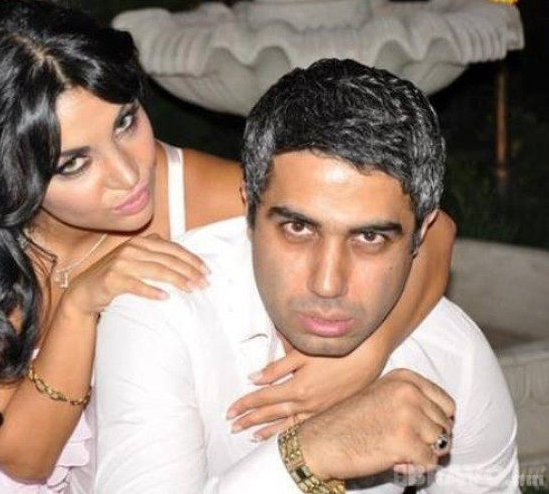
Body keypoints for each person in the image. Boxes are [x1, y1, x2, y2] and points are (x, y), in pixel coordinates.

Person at [0, 0, 453, 494]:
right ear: (1, 174)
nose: (129, 175)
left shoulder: (178, 185)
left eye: (126, 121)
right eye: (74, 162)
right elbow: (26, 457)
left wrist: (363, 356)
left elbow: (433, 231)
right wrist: (80, 306)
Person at [94, 59, 519, 493]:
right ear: (249, 207)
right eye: (298, 228)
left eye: (369, 237)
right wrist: (313, 451)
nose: (327, 283)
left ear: (421, 233)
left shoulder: (449, 351)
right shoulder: (160, 315)